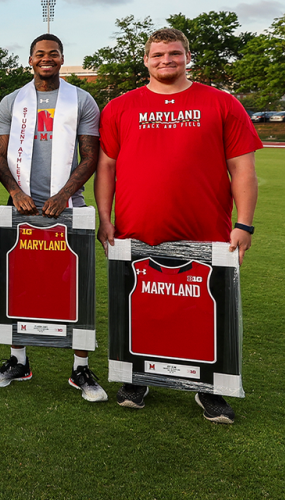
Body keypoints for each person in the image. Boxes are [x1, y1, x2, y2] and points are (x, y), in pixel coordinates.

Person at [96, 27, 261, 424]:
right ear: (146, 60)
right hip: (136, 229)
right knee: (143, 307)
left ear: (188, 56)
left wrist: (245, 224)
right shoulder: (120, 106)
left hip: (206, 231)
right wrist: (105, 218)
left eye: (173, 53)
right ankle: (138, 377)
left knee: (206, 311)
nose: (165, 60)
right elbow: (106, 166)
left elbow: (242, 168)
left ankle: (210, 389)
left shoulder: (221, 103)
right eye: (157, 55)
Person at [0, 33, 106, 402]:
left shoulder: (82, 99)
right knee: (20, 283)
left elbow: (90, 157)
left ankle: (80, 369)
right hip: (22, 208)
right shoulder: (11, 101)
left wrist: (63, 195)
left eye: (53, 54)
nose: (46, 59)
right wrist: (16, 192)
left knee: (75, 288)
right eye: (40, 54)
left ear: (62, 59)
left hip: (69, 208)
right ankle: (18, 361)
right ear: (30, 60)